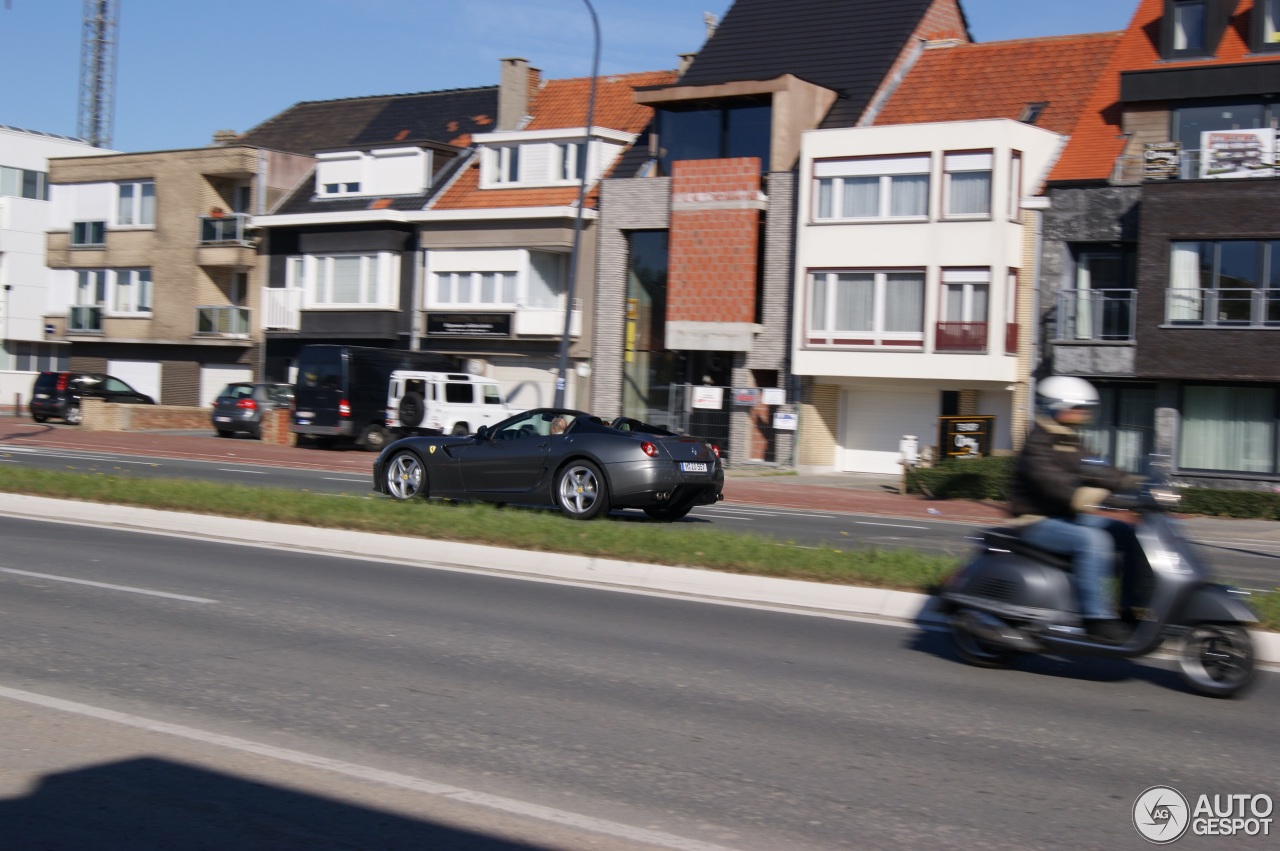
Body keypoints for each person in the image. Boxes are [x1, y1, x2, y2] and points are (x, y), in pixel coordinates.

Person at [1009, 376, 1143, 644]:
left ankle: (1130, 608)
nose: (1084, 414)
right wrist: (1085, 496)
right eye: (1079, 408)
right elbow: (1052, 483)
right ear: (1058, 407)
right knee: (1094, 540)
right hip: (1035, 522)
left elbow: (1097, 468)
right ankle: (1096, 619)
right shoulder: (1037, 444)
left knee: (1127, 532)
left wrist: (1134, 485)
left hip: (1066, 518)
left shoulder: (1071, 440)